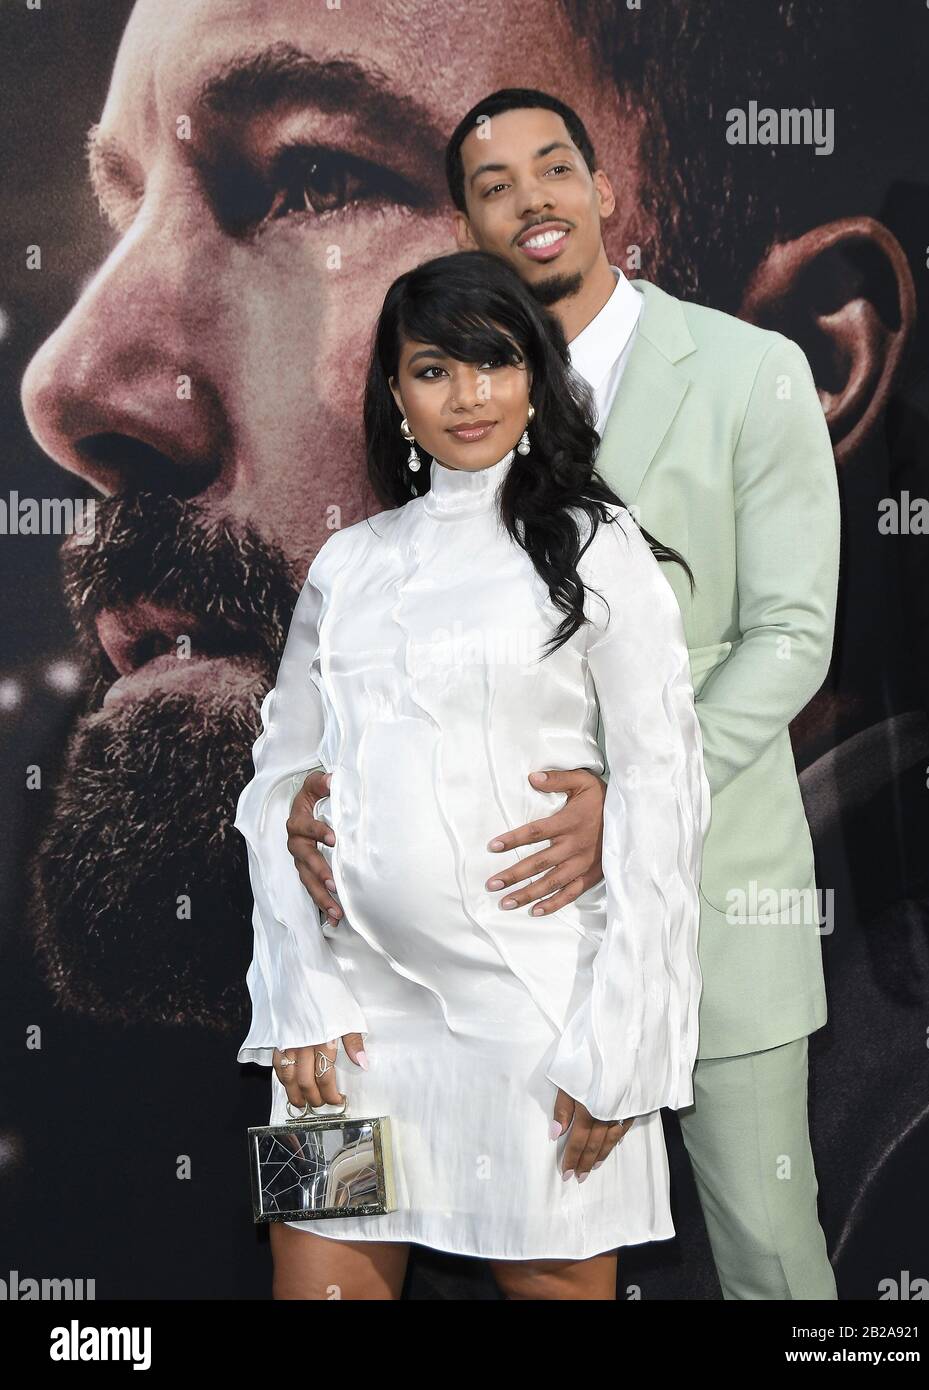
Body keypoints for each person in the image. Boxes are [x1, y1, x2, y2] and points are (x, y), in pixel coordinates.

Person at [285, 89, 842, 1301]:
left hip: (707, 910)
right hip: (432, 978)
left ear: (604, 188)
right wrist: (303, 814)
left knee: (765, 1252)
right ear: (465, 226)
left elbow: (793, 634)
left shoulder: (751, 374)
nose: (531, 198)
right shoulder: (374, 541)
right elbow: (310, 725)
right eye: (493, 184)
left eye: (553, 168)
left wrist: (631, 798)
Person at [234, 248, 711, 1300]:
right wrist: (297, 990)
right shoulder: (348, 564)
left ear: (534, 378)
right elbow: (276, 783)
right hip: (348, 1030)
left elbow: (664, 796)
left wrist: (623, 1048)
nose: (469, 395)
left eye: (494, 363)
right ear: (395, 393)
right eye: (434, 369)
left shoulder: (599, 548)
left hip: (541, 1019)